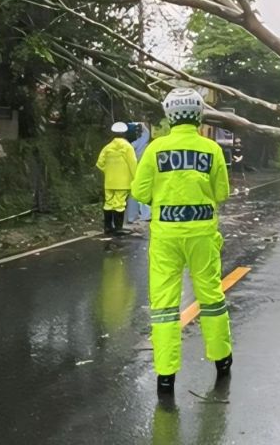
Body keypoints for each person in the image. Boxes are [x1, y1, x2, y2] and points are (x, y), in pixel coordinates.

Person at [131, 87, 233, 395]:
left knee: (164, 305)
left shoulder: (155, 149)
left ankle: (165, 374)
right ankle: (221, 359)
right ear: (199, 114)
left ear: (169, 115)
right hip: (202, 235)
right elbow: (222, 193)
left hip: (166, 237)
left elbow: (139, 192)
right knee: (211, 298)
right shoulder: (211, 149)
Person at [97, 122, 138, 236]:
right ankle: (118, 228)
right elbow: (133, 164)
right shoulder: (127, 147)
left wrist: (108, 171)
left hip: (109, 181)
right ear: (124, 134)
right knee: (120, 203)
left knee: (108, 203)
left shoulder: (107, 147)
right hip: (123, 182)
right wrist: (136, 178)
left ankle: (108, 227)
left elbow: (99, 163)